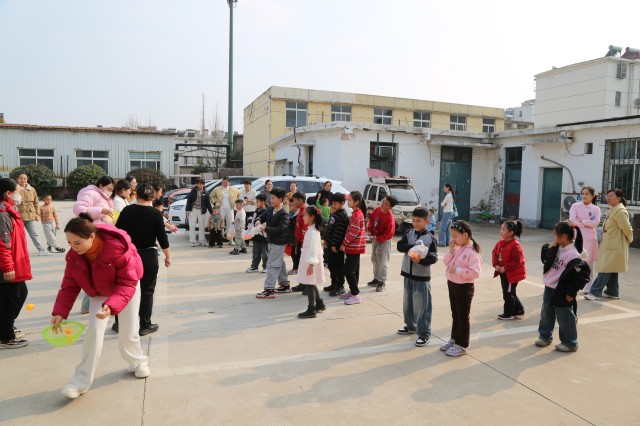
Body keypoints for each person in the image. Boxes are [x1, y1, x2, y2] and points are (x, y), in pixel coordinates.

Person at [51, 214, 148, 399]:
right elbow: (69, 285)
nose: (73, 247)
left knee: (128, 331)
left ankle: (138, 362)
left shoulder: (118, 249)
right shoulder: (73, 256)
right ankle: (79, 382)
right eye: (69, 243)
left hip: (126, 287)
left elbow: (127, 282)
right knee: (94, 332)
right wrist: (60, 312)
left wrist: (112, 305)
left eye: (77, 243)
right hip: (99, 292)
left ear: (92, 237)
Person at [115, 183, 172, 336]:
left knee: (124, 289)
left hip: (128, 255)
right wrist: (168, 256)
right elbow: (163, 238)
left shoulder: (127, 211)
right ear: (153, 197)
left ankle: (119, 323)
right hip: (148, 256)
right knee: (147, 291)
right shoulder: (156, 214)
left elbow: (118, 234)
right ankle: (144, 325)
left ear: (136, 195)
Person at [537, 221, 591, 352]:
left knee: (565, 316)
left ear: (564, 236)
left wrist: (570, 293)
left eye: (555, 235)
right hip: (550, 287)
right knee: (546, 313)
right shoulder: (558, 247)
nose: (554, 237)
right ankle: (545, 336)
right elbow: (546, 261)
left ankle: (570, 343)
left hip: (562, 290)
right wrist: (550, 248)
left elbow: (578, 276)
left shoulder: (573, 254)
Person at [396, 207, 438, 347]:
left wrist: (421, 260)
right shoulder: (409, 233)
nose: (415, 224)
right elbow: (399, 246)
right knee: (408, 303)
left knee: (422, 306)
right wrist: (412, 248)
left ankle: (424, 333)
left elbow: (433, 258)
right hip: (407, 274)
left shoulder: (430, 238)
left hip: (421, 277)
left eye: (419, 221)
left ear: (427, 221)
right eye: (413, 220)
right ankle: (410, 326)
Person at [73, 175, 116, 314]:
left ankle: (93, 305)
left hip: (102, 237)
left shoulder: (105, 197)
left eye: (112, 190)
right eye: (109, 188)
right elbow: (78, 209)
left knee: (99, 271)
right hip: (94, 237)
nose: (110, 191)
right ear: (101, 185)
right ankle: (88, 305)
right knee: (96, 271)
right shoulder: (91, 193)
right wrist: (100, 211)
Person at [0, 178, 33, 349]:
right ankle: (5, 337)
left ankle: (6, 327)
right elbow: (2, 244)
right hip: (6, 266)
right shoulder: (2, 214)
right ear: (8, 193)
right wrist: (8, 267)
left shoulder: (9, 210)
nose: (20, 194)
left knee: (20, 294)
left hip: (13, 262)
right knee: (10, 301)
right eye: (18, 191)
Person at [442, 220, 482, 357]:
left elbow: (475, 272)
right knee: (455, 314)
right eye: (452, 236)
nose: (453, 239)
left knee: (463, 316)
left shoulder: (473, 253)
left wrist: (458, 270)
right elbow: (446, 262)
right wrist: (451, 251)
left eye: (455, 236)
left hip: (464, 287)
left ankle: (462, 344)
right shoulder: (458, 248)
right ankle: (454, 339)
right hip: (452, 283)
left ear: (465, 235)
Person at [585, 188, 633, 301]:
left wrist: (629, 239)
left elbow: (627, 228)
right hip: (611, 245)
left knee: (605, 267)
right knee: (612, 267)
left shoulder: (620, 211)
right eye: (607, 196)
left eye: (611, 196)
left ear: (619, 198)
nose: (608, 198)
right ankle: (612, 291)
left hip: (615, 245)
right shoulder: (614, 209)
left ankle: (595, 292)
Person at [255, 188, 290, 298]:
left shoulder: (284, 214)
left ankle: (269, 289)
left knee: (272, 265)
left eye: (273, 198)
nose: (271, 200)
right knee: (279, 263)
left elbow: (280, 229)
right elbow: (261, 216)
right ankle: (285, 284)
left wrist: (265, 228)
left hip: (279, 243)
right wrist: (258, 220)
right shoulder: (270, 210)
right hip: (271, 241)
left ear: (280, 200)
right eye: (270, 198)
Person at [492, 220, 526, 320]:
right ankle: (519, 310)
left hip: (512, 275)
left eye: (503, 230)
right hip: (504, 273)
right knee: (511, 292)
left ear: (511, 233)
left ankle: (508, 314)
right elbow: (494, 253)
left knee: (507, 294)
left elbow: (517, 261)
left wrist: (505, 267)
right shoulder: (500, 243)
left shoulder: (515, 245)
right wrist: (496, 265)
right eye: (501, 229)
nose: (501, 231)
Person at [296, 207, 327, 318]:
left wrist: (311, 264)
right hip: (309, 260)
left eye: (305, 215)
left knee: (309, 283)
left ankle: (311, 309)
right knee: (311, 282)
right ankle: (319, 303)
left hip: (311, 261)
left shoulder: (313, 232)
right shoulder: (311, 230)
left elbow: (313, 249)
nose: (303, 216)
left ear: (312, 217)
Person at [569, 186, 601, 293]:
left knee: (588, 262)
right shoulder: (575, 206)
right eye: (582, 193)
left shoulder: (596, 209)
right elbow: (572, 219)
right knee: (574, 260)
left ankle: (588, 286)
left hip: (590, 238)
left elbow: (595, 223)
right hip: (577, 236)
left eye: (587, 194)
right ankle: (572, 283)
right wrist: (587, 223)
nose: (584, 196)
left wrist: (581, 221)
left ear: (593, 196)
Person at [340, 191, 367, 305]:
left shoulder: (357, 214)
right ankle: (353, 291)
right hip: (355, 246)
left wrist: (344, 243)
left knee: (348, 270)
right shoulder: (356, 213)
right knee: (354, 270)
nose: (348, 201)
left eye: (350, 200)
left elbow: (353, 232)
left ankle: (355, 295)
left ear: (356, 202)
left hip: (354, 247)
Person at [367, 195, 398, 293]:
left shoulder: (390, 217)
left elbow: (389, 233)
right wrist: (370, 230)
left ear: (390, 207)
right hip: (375, 238)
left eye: (386, 203)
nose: (383, 204)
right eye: (383, 201)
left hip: (384, 241)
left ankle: (382, 281)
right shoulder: (377, 209)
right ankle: (376, 278)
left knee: (383, 262)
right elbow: (372, 219)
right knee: (374, 259)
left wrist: (379, 238)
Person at [15, 173, 50, 256]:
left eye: (25, 178)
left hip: (30, 216)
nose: (23, 180)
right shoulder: (15, 189)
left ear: (27, 179)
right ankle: (19, 252)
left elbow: (36, 202)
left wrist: (37, 214)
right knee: (19, 236)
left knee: (34, 234)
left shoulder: (32, 190)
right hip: (18, 216)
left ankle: (41, 250)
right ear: (18, 179)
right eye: (21, 178)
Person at [323, 193, 349, 297]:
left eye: (335, 204)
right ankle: (334, 283)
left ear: (342, 203)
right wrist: (326, 240)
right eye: (332, 204)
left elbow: (339, 232)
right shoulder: (335, 213)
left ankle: (340, 286)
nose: (333, 206)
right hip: (330, 244)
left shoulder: (342, 215)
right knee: (331, 265)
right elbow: (330, 228)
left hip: (337, 246)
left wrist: (334, 244)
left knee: (338, 266)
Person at [210, 177, 240, 243]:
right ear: (222, 182)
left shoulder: (233, 189)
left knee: (230, 223)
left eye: (226, 182)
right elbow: (211, 196)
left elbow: (239, 194)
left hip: (230, 208)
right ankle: (220, 239)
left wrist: (236, 202)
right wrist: (215, 203)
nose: (225, 184)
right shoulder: (217, 189)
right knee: (220, 223)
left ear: (229, 183)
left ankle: (231, 239)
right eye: (223, 182)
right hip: (221, 208)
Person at [186, 179, 213, 247]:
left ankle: (202, 241)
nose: (199, 185)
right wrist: (187, 210)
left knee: (202, 226)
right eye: (197, 184)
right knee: (192, 225)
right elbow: (189, 201)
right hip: (193, 209)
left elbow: (208, 204)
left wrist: (212, 212)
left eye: (200, 184)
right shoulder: (193, 191)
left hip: (202, 210)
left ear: (203, 184)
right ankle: (193, 241)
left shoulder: (206, 193)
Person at [246, 194, 268, 272]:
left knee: (265, 253)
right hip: (255, 235)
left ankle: (266, 267)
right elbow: (253, 218)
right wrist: (250, 220)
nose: (256, 203)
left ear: (263, 202)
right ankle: (254, 266)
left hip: (263, 236)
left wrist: (260, 225)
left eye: (258, 202)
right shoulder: (256, 210)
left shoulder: (266, 211)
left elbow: (265, 222)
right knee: (255, 252)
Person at [288, 192, 307, 278]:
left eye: (295, 200)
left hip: (302, 241)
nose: (293, 202)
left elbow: (305, 229)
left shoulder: (305, 212)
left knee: (301, 259)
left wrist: (303, 242)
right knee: (297, 257)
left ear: (300, 200)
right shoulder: (301, 211)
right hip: (298, 239)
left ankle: (303, 282)